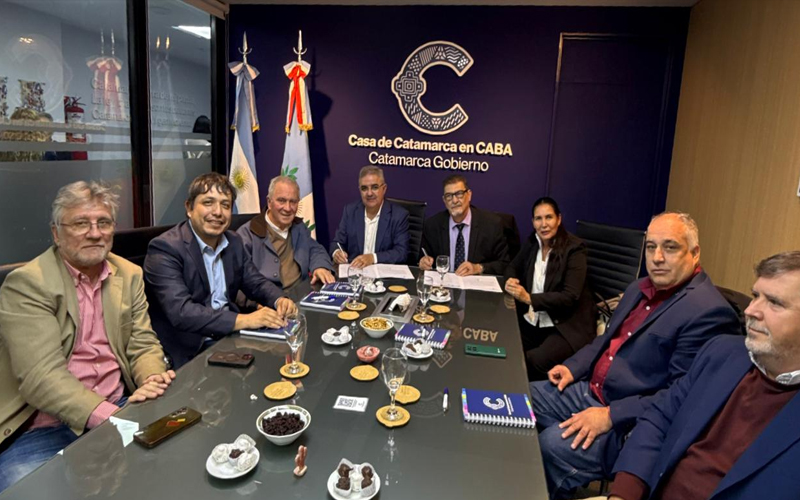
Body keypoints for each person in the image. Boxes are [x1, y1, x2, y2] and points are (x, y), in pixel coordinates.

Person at [529, 212, 740, 499]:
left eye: (670, 247)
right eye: (651, 247)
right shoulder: (637, 288)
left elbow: (681, 397)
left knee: (551, 445)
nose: (657, 257)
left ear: (695, 252)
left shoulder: (708, 312)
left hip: (629, 422)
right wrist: (572, 367)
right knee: (519, 399)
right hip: (590, 391)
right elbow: (606, 341)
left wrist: (610, 415)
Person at [0, 181, 174, 492]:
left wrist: (151, 378)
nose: (95, 233)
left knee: (172, 472)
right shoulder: (27, 285)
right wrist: (112, 417)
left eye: (103, 223)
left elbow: (142, 342)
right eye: (81, 223)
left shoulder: (128, 274)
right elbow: (41, 377)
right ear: (56, 233)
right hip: (44, 428)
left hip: (119, 403)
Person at [609, 251, 800, 500]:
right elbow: (659, 418)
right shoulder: (721, 352)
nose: (751, 310)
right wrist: (624, 493)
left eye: (774, 302)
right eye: (755, 296)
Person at [143, 173, 297, 369]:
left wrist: (279, 299)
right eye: (208, 203)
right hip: (190, 350)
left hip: (230, 340)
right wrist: (244, 320)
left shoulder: (233, 242)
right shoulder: (165, 248)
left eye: (225, 205)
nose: (217, 212)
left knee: (285, 362)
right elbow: (182, 312)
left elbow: (255, 282)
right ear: (189, 208)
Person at [504, 197, 596, 380]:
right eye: (538, 219)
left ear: (559, 219)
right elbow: (512, 267)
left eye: (549, 217)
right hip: (535, 320)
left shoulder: (574, 249)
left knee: (533, 360)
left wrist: (529, 298)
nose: (544, 224)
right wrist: (511, 280)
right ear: (533, 222)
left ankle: (528, 396)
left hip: (566, 325)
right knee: (506, 347)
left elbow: (569, 296)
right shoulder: (533, 243)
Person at [238, 175, 335, 295]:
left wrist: (320, 267)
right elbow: (236, 282)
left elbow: (315, 249)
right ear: (269, 202)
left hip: (301, 296)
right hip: (267, 301)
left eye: (293, 202)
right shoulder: (246, 235)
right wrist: (256, 304)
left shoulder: (299, 227)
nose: (288, 208)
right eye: (281, 200)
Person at [418, 174, 509, 276]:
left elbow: (504, 264)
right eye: (449, 196)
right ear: (444, 201)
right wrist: (423, 262)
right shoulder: (433, 225)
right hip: (443, 283)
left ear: (469, 195)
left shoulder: (491, 224)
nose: (455, 200)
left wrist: (478, 268)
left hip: (475, 283)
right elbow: (423, 257)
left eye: (459, 194)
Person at [330, 166, 409, 268]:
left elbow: (401, 252)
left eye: (375, 187)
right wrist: (336, 253)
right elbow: (336, 243)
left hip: (382, 274)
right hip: (355, 272)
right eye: (364, 188)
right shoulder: (350, 211)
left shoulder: (398, 215)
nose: (369, 193)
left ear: (384, 189)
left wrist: (372, 258)